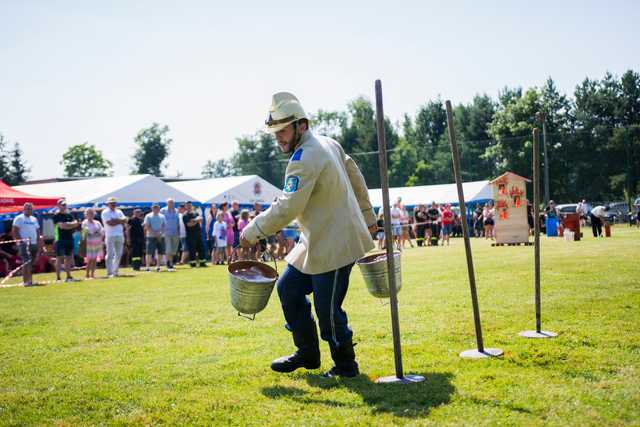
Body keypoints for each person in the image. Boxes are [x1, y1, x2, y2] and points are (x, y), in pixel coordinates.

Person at [240, 92, 376, 378]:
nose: (279, 138)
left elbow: (289, 206)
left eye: (283, 131)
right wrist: (368, 216)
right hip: (316, 240)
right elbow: (356, 174)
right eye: (275, 132)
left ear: (301, 125)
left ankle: (346, 366)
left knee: (328, 312)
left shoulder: (305, 157)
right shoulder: (327, 142)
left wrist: (252, 231)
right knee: (288, 288)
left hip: (338, 243)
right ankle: (308, 353)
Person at [12, 203, 43, 286]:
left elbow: (37, 232)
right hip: (24, 244)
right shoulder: (19, 218)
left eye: (30, 209)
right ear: (24, 209)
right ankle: (26, 281)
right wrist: (21, 242)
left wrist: (39, 243)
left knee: (31, 263)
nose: (29, 210)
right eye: (27, 208)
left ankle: (30, 281)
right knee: (26, 262)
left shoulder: (34, 219)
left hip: (34, 244)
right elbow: (15, 231)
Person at [52, 199, 79, 282]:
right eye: (62, 205)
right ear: (58, 206)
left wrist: (68, 225)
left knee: (68, 258)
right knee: (59, 258)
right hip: (60, 239)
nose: (64, 206)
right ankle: (58, 277)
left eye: (65, 205)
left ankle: (68, 276)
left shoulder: (69, 215)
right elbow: (62, 226)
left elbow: (76, 224)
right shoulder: (56, 216)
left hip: (69, 239)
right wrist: (70, 225)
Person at [101, 197, 127, 278]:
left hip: (119, 234)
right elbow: (110, 223)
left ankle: (115, 271)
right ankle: (110, 272)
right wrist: (120, 221)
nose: (113, 204)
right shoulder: (105, 212)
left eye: (114, 203)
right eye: (111, 203)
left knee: (119, 254)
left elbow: (125, 220)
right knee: (110, 254)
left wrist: (116, 220)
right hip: (110, 235)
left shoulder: (119, 211)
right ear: (108, 204)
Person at [81, 208, 104, 279]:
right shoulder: (84, 222)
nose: (90, 215)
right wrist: (91, 233)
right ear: (86, 214)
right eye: (89, 213)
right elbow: (84, 232)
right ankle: (87, 274)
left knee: (95, 259)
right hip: (89, 243)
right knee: (89, 259)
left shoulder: (97, 222)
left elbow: (102, 231)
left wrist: (99, 233)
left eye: (92, 213)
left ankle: (92, 274)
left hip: (97, 242)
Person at [183, 201, 207, 267]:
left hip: (198, 234)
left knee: (201, 248)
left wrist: (194, 220)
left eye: (190, 205)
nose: (189, 207)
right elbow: (189, 224)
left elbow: (201, 219)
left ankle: (202, 262)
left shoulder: (196, 213)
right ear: (185, 207)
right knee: (192, 249)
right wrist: (196, 220)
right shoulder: (185, 215)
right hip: (190, 235)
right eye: (188, 206)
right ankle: (193, 263)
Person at [144, 203, 166, 272]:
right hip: (150, 236)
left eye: (157, 208)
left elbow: (164, 226)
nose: (156, 209)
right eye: (154, 207)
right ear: (152, 208)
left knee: (160, 251)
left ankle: (158, 266)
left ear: (159, 208)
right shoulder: (148, 216)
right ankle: (147, 267)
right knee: (149, 252)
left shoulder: (162, 216)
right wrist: (155, 233)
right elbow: (147, 226)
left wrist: (160, 233)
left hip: (161, 236)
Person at [160, 198, 180, 271]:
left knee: (174, 249)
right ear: (167, 203)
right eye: (170, 202)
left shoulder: (176, 211)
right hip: (166, 233)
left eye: (172, 202)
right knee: (168, 249)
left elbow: (178, 222)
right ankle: (169, 263)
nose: (171, 203)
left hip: (175, 232)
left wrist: (179, 231)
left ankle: (171, 262)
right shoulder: (163, 210)